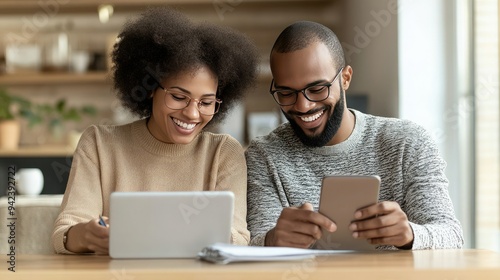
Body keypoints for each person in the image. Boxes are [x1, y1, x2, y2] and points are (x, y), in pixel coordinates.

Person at [52, 7, 258, 254]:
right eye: (179, 97)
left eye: (206, 102)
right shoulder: (99, 143)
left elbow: (238, 238)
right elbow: (64, 234)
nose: (192, 114)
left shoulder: (224, 152)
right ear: (150, 88)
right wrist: (87, 235)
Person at [246, 21, 464, 250]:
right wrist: (272, 240)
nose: (303, 106)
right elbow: (253, 243)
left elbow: (451, 235)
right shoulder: (264, 155)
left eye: (317, 89)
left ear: (346, 78)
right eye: (286, 93)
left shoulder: (408, 143)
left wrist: (410, 234)